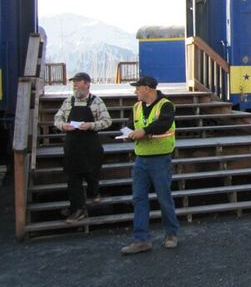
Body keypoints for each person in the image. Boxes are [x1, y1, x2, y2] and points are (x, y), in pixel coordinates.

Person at [120, 75, 180, 255]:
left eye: (137, 88)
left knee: (164, 197)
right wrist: (125, 134)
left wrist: (143, 131)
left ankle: (171, 234)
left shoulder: (166, 105)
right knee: (139, 198)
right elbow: (129, 125)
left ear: (147, 88)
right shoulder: (137, 106)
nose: (135, 91)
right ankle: (141, 240)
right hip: (141, 159)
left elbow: (164, 124)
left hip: (160, 159)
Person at [53, 72, 112, 224]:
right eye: (74, 82)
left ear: (87, 84)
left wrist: (91, 125)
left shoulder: (96, 101)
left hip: (90, 145)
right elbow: (57, 118)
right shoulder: (69, 101)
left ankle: (93, 194)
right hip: (72, 146)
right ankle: (77, 209)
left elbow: (107, 121)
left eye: (78, 82)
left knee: (91, 173)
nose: (75, 84)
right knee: (73, 177)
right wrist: (62, 125)